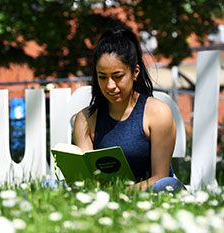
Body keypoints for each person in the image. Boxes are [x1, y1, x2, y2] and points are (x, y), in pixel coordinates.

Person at [73, 24, 185, 192]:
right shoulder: (86, 119)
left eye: (118, 76)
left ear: (135, 72)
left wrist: (121, 194)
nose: (110, 85)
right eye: (102, 77)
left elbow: (160, 176)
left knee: (165, 185)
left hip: (152, 195)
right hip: (106, 200)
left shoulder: (158, 113)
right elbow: (87, 179)